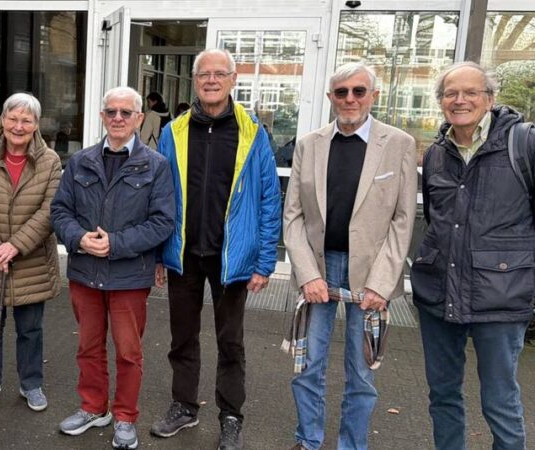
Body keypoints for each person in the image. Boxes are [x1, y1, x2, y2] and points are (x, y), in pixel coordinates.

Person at [150, 48, 282, 450]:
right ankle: (184, 406)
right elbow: (159, 195)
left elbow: (269, 199)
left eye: (219, 74)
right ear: (194, 80)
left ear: (233, 79)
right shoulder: (173, 132)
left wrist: (264, 260)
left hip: (233, 258)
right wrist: (159, 253)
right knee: (182, 337)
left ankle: (230, 415)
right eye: (204, 74)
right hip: (184, 255)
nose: (211, 80)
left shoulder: (253, 133)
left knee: (231, 342)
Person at [283, 62, 418, 450]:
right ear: (330, 98)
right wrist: (307, 274)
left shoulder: (399, 145)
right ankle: (308, 440)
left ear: (373, 96)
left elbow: (403, 220)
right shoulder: (309, 144)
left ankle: (351, 445)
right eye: (341, 92)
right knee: (307, 367)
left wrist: (381, 282)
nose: (350, 99)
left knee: (361, 375)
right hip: (319, 270)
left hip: (371, 274)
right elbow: (292, 216)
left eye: (359, 91)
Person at [412, 61, 534, 450]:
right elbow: (436, 219)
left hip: (500, 296)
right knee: (443, 396)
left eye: (470, 92)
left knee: (500, 401)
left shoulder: (523, 144)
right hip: (439, 293)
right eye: (451, 93)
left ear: (490, 99)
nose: (459, 100)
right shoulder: (436, 153)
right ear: (441, 102)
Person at [51, 86, 175, 450]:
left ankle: (124, 416)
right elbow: (60, 211)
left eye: (126, 112)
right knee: (88, 347)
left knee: (128, 352)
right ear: (102, 117)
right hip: (84, 273)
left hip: (129, 277)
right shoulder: (80, 161)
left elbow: (163, 222)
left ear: (139, 118)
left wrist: (115, 244)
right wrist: (78, 238)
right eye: (111, 112)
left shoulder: (156, 165)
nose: (118, 118)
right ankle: (93, 408)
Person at [0, 93, 62, 413]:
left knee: (30, 329)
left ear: (36, 125)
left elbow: (50, 211)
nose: (19, 126)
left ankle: (31, 384)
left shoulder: (50, 161)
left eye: (27, 120)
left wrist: (15, 245)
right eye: (13, 118)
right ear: (2, 120)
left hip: (31, 261)